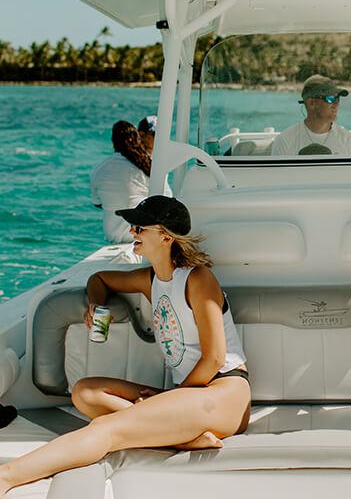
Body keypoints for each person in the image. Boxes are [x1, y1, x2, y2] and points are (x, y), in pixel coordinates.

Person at [0, 196, 250, 498]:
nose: (132, 232)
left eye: (139, 227)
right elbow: (100, 278)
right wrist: (96, 304)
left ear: (166, 236)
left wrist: (166, 397)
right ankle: (183, 437)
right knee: (85, 392)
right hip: (188, 394)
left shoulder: (198, 280)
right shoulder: (151, 279)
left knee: (107, 429)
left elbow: (213, 359)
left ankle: (7, 476)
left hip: (224, 393)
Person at [90, 121, 169, 244]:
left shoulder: (100, 168)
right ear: (137, 138)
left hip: (112, 235)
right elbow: (166, 199)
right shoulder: (146, 166)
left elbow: (97, 203)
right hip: (141, 234)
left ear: (113, 141)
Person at [271, 75, 351, 156]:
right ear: (311, 103)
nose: (336, 104)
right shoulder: (285, 141)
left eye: (338, 98)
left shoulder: (350, 141)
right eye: (330, 98)